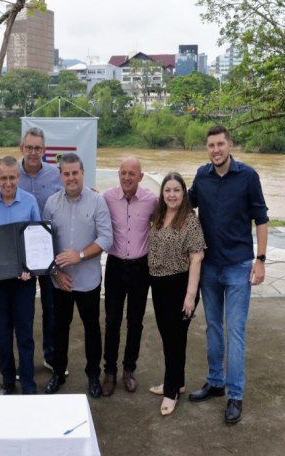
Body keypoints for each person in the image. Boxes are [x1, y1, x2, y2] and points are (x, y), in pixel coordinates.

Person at [187, 125, 269, 424]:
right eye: (211, 145)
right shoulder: (202, 176)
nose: (216, 150)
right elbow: (184, 204)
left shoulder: (248, 176)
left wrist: (260, 259)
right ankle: (215, 382)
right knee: (213, 328)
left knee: (235, 331)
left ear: (230, 145)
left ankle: (235, 394)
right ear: (206, 148)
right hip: (209, 266)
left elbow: (261, 219)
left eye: (220, 144)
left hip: (238, 266)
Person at [43, 153, 113, 398]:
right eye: (66, 173)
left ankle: (93, 375)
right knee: (59, 329)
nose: (71, 178)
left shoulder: (97, 201)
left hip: (88, 281)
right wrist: (56, 272)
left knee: (92, 328)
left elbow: (106, 238)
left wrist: (80, 256)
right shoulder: (51, 203)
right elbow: (44, 243)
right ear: (60, 175)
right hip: (60, 281)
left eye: (75, 173)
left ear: (82, 173)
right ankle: (58, 373)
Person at [148, 172, 206, 416]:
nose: (172, 195)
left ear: (184, 194)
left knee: (173, 340)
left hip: (180, 286)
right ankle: (177, 381)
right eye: (168, 190)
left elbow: (197, 257)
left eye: (176, 190)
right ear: (163, 194)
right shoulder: (160, 216)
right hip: (158, 284)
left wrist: (190, 296)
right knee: (170, 337)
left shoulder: (190, 220)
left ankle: (171, 391)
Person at [0, 156, 41, 395]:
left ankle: (28, 383)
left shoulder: (30, 202)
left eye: (12, 177)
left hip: (24, 279)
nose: (8, 182)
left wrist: (32, 268)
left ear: (18, 177)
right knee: (3, 332)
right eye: (3, 178)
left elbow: (39, 239)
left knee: (25, 333)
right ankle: (7, 381)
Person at [101, 156, 157, 397]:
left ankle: (128, 370)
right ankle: (110, 372)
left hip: (140, 268)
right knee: (112, 321)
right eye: (123, 172)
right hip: (114, 266)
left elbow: (166, 219)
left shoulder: (151, 200)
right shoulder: (107, 198)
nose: (127, 177)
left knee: (135, 322)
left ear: (141, 177)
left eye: (132, 173)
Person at [18, 127, 62, 373]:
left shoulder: (56, 175)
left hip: (49, 252)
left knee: (51, 307)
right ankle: (24, 361)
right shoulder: (11, 174)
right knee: (23, 312)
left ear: (44, 151)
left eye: (38, 148)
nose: (33, 152)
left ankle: (51, 355)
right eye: (29, 147)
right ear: (21, 149)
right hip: (20, 255)